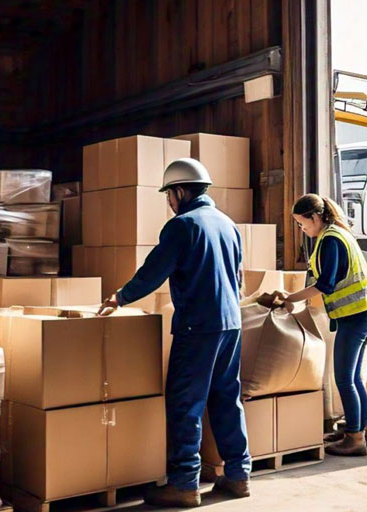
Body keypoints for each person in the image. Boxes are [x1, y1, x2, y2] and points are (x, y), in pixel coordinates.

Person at [97, 158, 251, 507]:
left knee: (186, 403)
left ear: (179, 191)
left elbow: (155, 270)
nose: (168, 202)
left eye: (169, 194)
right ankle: (239, 476)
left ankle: (184, 483)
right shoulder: (227, 224)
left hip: (198, 326)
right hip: (231, 324)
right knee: (227, 398)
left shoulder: (182, 226)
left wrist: (121, 297)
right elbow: (238, 277)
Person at [277, 193, 367, 456]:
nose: (302, 229)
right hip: (364, 313)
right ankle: (356, 429)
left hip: (356, 317)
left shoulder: (331, 240)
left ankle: (355, 439)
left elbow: (326, 284)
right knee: (354, 377)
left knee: (345, 378)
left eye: (302, 223)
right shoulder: (336, 234)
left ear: (314, 217)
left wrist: (292, 299)